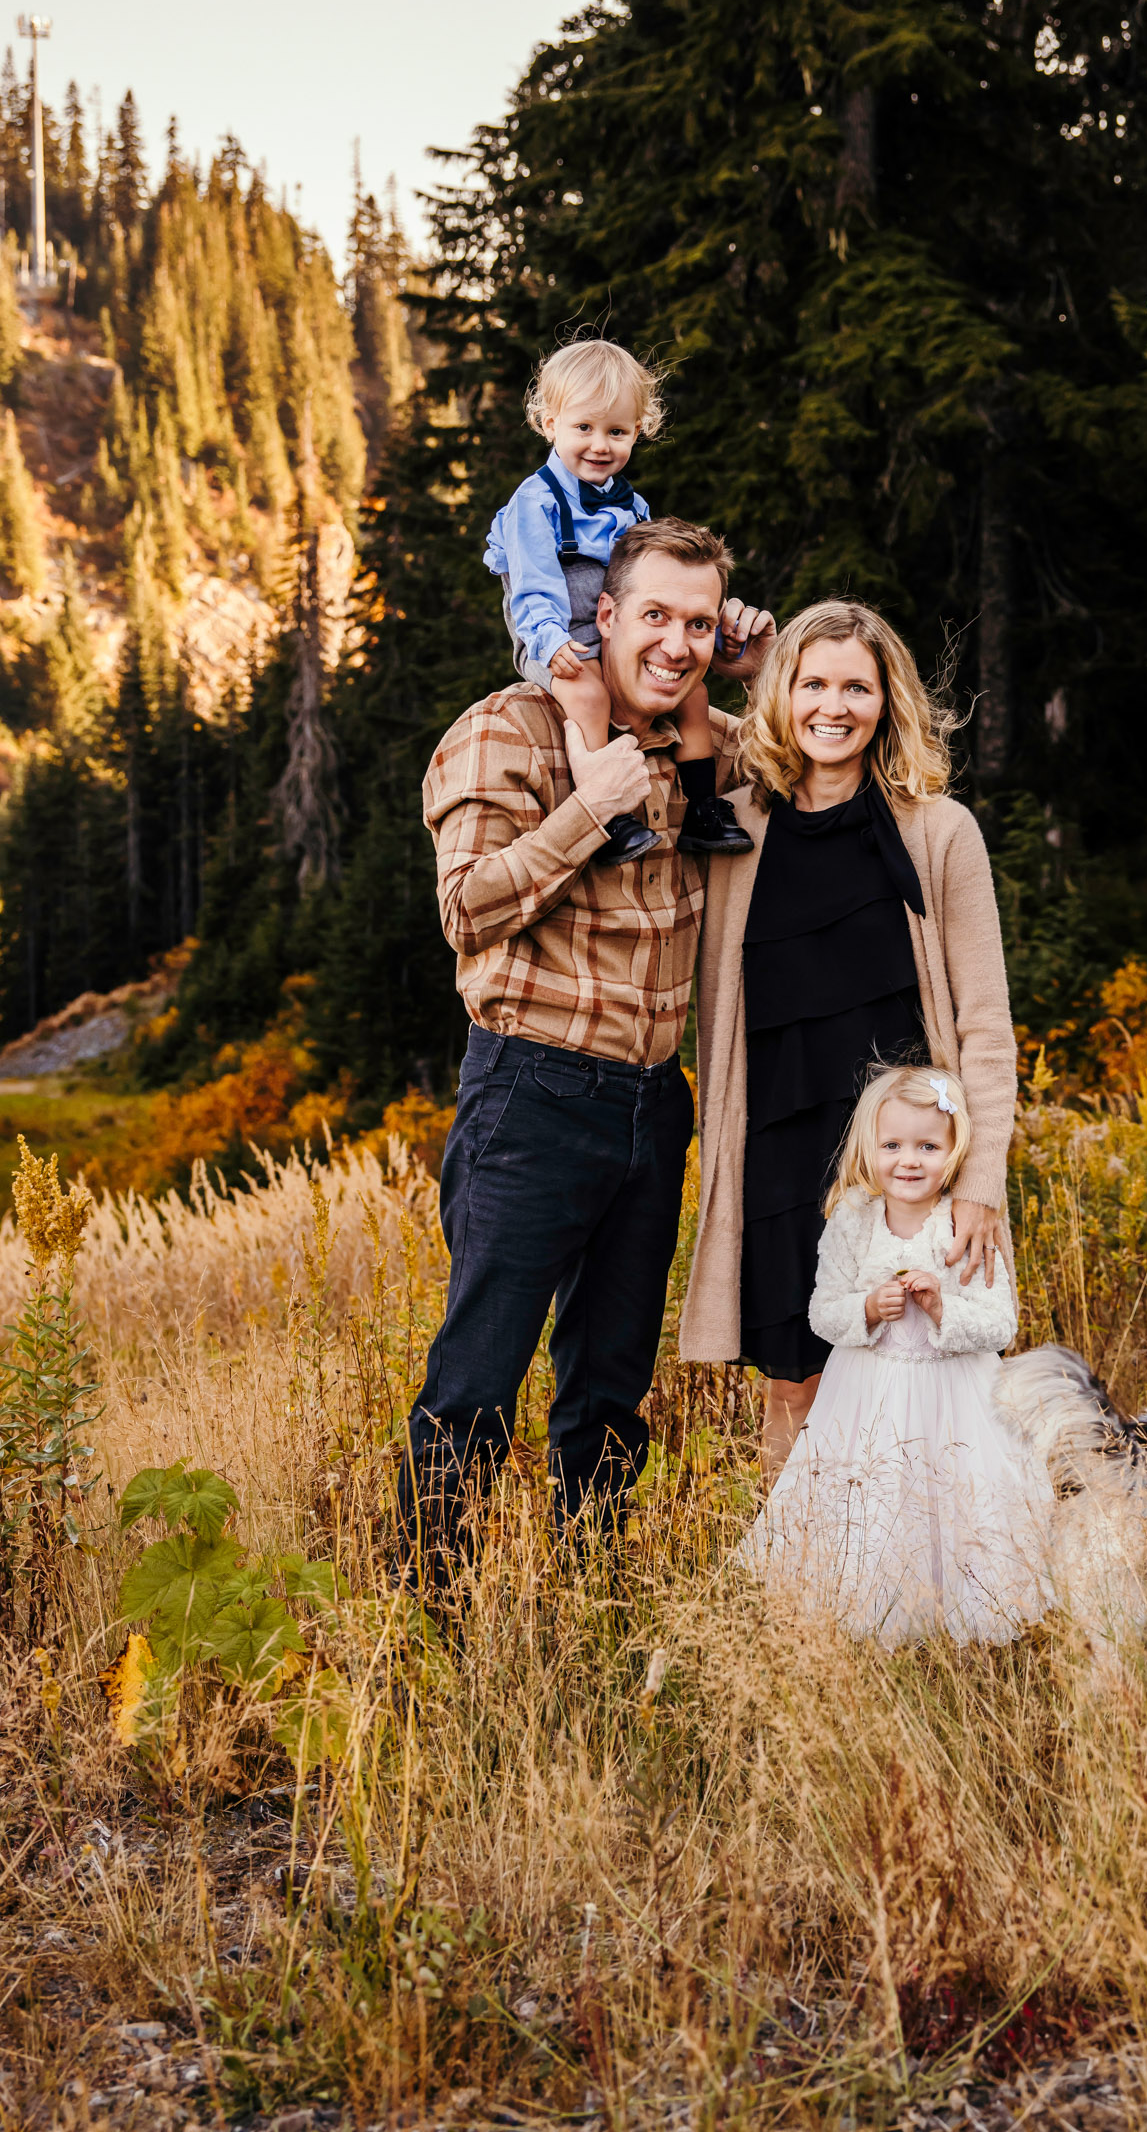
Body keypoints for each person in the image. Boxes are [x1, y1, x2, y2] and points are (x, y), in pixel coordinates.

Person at [402, 516, 774, 1569]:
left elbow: (832, 746)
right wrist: (587, 811)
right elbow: (466, 911)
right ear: (602, 614)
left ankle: (587, 1602)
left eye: (698, 624)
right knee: (478, 1379)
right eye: (653, 615)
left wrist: (773, 661)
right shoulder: (506, 732)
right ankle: (430, 1630)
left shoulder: (696, 746)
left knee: (610, 1388)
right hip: (535, 1093)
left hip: (655, 1108)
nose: (675, 643)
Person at [678, 599, 1018, 1484]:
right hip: (776, 1146)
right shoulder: (734, 820)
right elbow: (670, 716)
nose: (833, 706)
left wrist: (978, 1185)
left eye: (856, 688)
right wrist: (741, 663)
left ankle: (921, 1582)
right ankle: (802, 1601)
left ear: (887, 701)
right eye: (813, 683)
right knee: (793, 1379)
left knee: (916, 1377)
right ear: (782, 693)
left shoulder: (938, 832)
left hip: (902, 1163)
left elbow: (984, 1027)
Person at [734, 1064, 1058, 1648]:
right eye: (893, 1145)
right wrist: (864, 1307)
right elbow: (821, 1311)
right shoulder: (853, 1219)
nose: (909, 1161)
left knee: (955, 1500)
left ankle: (966, 1614)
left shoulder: (961, 1223)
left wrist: (941, 1309)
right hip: (869, 1394)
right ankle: (873, 1611)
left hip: (954, 1398)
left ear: (955, 1151)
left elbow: (1000, 1320)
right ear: (870, 1148)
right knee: (878, 1498)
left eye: (928, 1146)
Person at [485, 336, 752, 863]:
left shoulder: (632, 506)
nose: (599, 445)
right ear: (550, 424)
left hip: (612, 630)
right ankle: (610, 816)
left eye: (617, 431)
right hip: (553, 631)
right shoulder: (535, 504)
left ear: (638, 431)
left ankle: (704, 808)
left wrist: (709, 632)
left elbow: (655, 586)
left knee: (694, 696)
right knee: (587, 693)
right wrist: (549, 640)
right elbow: (535, 584)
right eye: (583, 427)